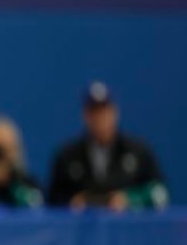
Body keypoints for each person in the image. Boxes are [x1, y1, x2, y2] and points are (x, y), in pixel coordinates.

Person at [47, 81, 168, 212]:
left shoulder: (138, 152)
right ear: (85, 116)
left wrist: (129, 199)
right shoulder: (67, 157)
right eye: (94, 112)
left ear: (115, 112)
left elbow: (160, 193)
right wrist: (72, 202)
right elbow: (52, 199)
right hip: (81, 225)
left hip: (127, 224)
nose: (100, 119)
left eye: (104, 111)